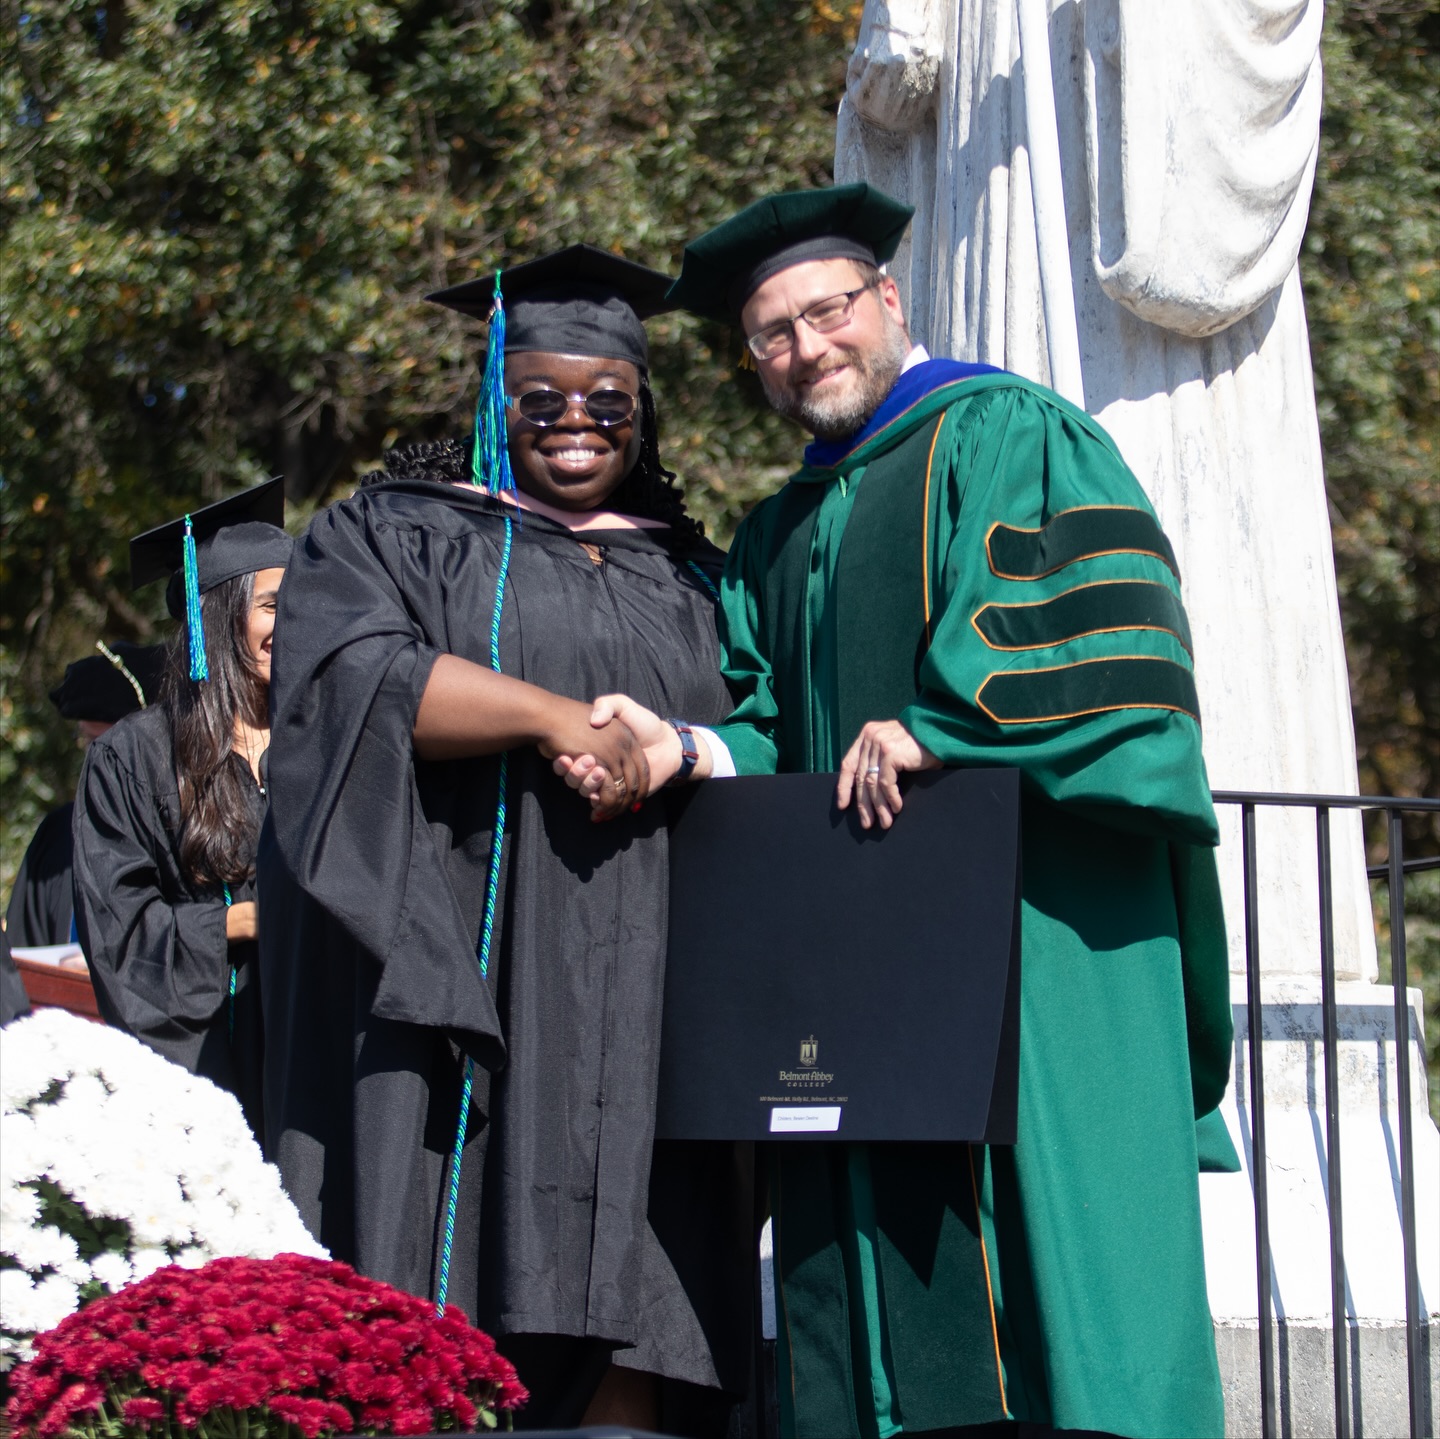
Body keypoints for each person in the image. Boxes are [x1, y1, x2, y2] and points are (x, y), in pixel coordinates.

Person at [559, 186, 1234, 1439]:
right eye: (770, 334)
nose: (806, 348)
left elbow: (1101, 637)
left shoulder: (1011, 434)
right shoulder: (780, 529)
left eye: (825, 311)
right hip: (861, 969)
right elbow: (766, 718)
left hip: (1033, 939)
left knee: (1056, 1269)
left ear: (887, 299)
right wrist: (682, 747)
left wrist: (943, 721)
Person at [259, 246, 751, 1436]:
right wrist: (555, 719)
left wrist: (665, 750)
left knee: (655, 1270)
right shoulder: (390, 533)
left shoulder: (695, 573)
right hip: (466, 990)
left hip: (652, 998)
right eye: (541, 401)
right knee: (451, 1248)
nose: (574, 424)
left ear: (642, 409)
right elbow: (354, 685)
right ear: (494, 398)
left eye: (606, 404)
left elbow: (753, 728)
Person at [72, 480, 292, 1137]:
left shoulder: (325, 737)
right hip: (203, 1062)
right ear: (220, 618)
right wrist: (238, 922)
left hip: (312, 1043)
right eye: (276, 605)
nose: (296, 622)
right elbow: (119, 928)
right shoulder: (136, 756)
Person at [5, 642, 164, 950]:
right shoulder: (59, 837)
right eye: (87, 741)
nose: (96, 759)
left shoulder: (188, 835)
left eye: (104, 743)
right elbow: (24, 956)